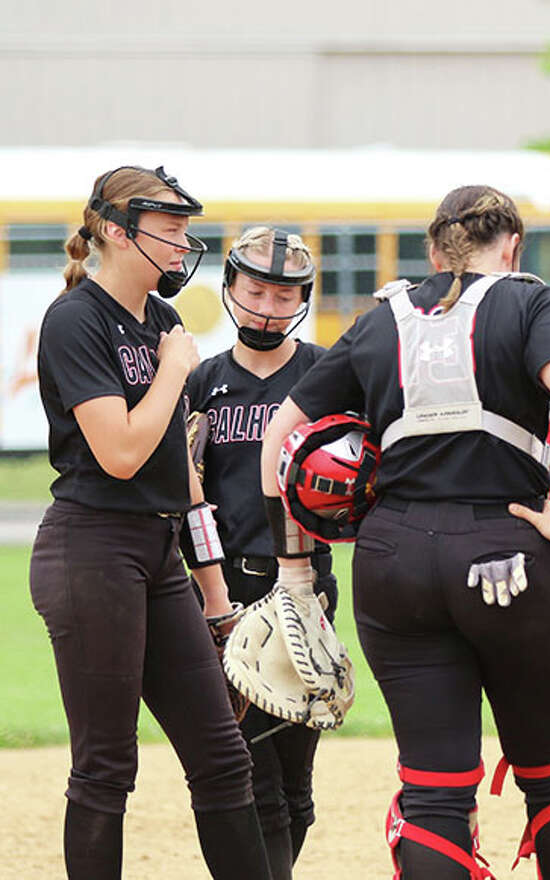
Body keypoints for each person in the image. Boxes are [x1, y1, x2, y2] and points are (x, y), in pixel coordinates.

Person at [258, 185, 550, 879]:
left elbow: (280, 440)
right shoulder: (528, 300)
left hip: (393, 564)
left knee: (433, 795)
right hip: (506, 553)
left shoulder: (381, 317)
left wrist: (296, 574)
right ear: (511, 247)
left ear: (433, 251)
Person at [29, 165, 271, 879]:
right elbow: (123, 452)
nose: (181, 246)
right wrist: (174, 369)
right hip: (92, 551)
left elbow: (182, 473)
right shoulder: (77, 320)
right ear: (114, 230)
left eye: (184, 231)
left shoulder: (161, 322)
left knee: (224, 757)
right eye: (169, 231)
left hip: (159, 551)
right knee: (106, 766)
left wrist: (217, 593)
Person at [185, 226, 335, 880]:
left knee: (296, 785)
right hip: (231, 596)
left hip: (307, 588)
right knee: (255, 776)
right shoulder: (202, 384)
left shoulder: (328, 374)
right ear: (230, 287)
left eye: (284, 294)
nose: (268, 306)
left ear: (303, 297)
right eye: (256, 289)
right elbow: (186, 499)